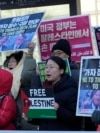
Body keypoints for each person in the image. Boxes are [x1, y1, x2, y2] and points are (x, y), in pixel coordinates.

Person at [23, 56, 81, 130]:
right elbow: (43, 119)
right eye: (46, 67)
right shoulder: (44, 90)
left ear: (61, 71)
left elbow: (76, 118)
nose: (47, 70)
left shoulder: (71, 90)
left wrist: (59, 110)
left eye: (51, 67)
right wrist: (30, 118)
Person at [3, 42, 37, 130]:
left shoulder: (22, 74)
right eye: (9, 61)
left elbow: (26, 73)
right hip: (8, 119)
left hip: (24, 116)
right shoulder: (3, 74)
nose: (10, 63)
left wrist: (30, 53)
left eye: (13, 61)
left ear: (20, 63)